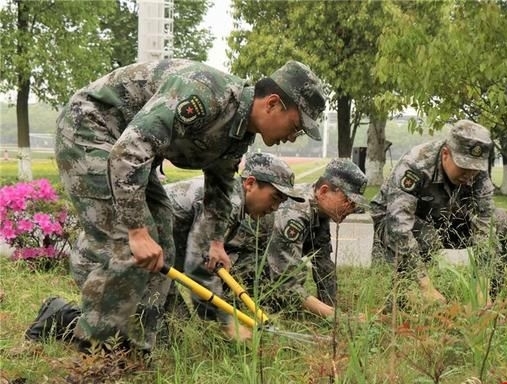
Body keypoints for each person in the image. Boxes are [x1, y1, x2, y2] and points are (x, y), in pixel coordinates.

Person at [26, 59, 326, 355]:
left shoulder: (240, 133)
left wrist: (216, 241)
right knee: (129, 246)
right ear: (272, 104)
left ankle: (136, 348)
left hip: (130, 153)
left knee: (161, 249)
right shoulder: (207, 95)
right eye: (296, 126)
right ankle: (93, 353)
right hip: (91, 131)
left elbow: (220, 188)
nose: (292, 136)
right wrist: (137, 230)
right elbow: (129, 152)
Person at [200, 159, 368, 339]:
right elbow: (286, 284)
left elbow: (323, 264)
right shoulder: (295, 214)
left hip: (252, 257)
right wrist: (336, 317)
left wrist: (333, 313)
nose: (352, 208)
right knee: (287, 278)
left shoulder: (320, 209)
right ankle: (231, 316)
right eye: (348, 200)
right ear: (324, 191)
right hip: (227, 260)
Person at [371, 119, 507, 309]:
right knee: (427, 239)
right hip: (396, 225)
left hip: (445, 220)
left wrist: (481, 286)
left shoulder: (477, 173)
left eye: (475, 169)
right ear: (445, 154)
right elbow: (399, 226)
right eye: (464, 166)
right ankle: (407, 297)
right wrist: (425, 285)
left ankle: (487, 302)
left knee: (503, 221)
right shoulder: (415, 165)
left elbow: (485, 225)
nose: (469, 174)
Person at [162, 152, 305, 340]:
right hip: (137, 248)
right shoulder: (228, 202)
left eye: (281, 202)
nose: (275, 208)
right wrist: (227, 323)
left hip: (159, 258)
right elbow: (199, 265)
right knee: (166, 332)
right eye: (275, 197)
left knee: (178, 330)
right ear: (250, 183)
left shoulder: (234, 203)